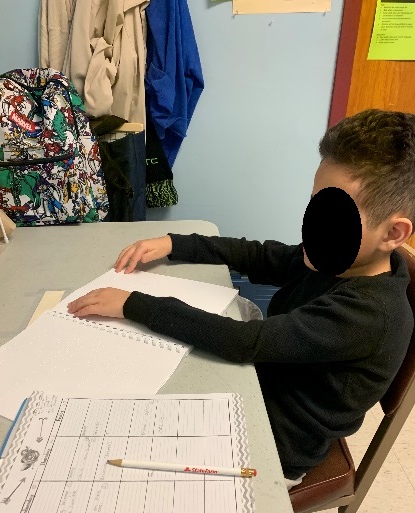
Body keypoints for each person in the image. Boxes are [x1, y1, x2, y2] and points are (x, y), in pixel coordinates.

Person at [68, 109, 415, 489]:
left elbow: (245, 342)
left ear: (393, 233)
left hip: (277, 445)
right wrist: (175, 242)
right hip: (262, 382)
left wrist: (133, 304)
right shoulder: (338, 259)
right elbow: (259, 256)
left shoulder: (370, 314)